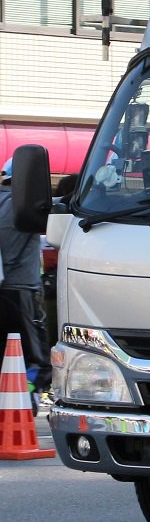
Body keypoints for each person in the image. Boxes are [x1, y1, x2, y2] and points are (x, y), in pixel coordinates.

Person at [0, 158, 51, 411]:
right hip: (23, 292)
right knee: (37, 361)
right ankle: (26, 398)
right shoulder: (28, 205)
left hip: (6, 291)